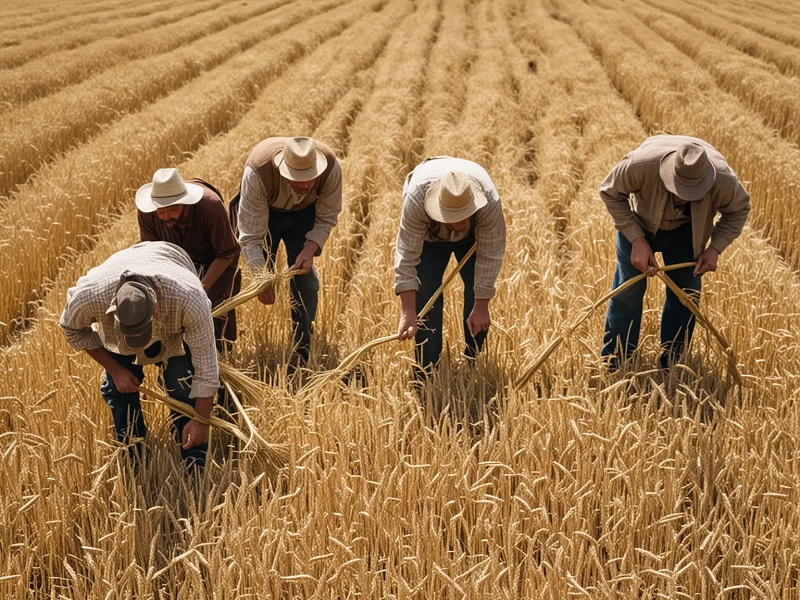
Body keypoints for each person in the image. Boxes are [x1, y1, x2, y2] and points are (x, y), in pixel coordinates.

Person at [59, 241, 220, 472]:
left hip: (171, 283)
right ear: (113, 310)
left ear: (155, 310)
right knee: (118, 391)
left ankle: (194, 465)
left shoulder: (190, 300)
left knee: (182, 388)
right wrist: (116, 370)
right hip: (120, 281)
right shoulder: (90, 297)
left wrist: (202, 421)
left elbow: (207, 369)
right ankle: (134, 459)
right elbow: (71, 329)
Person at [599, 134, 751, 370]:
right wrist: (637, 239)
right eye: (678, 188)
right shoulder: (641, 165)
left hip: (687, 232)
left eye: (693, 191)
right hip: (640, 224)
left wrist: (715, 248)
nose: (683, 196)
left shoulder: (724, 181)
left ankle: (672, 361)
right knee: (627, 290)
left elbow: (739, 210)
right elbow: (610, 192)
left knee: (686, 294)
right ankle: (615, 360)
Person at [236, 136, 342, 371]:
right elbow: (251, 237)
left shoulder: (330, 168)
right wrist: (261, 277)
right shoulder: (258, 172)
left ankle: (303, 345)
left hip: (305, 214)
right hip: (266, 213)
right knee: (262, 276)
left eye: (309, 179)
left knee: (305, 280)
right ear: (283, 170)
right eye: (297, 179)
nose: (304, 186)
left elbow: (327, 217)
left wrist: (309, 249)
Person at [395, 157, 506, 380]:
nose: (459, 223)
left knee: (475, 294)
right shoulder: (417, 200)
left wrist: (482, 304)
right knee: (426, 299)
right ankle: (427, 369)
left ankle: (474, 361)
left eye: (464, 215)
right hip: (430, 241)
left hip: (472, 240)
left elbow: (491, 254)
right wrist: (408, 312)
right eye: (452, 217)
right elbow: (406, 256)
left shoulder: (488, 201)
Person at [136, 168, 241, 352]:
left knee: (213, 310)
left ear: (185, 203)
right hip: (175, 261)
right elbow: (152, 254)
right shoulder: (147, 212)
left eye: (173, 209)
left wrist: (201, 288)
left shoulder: (210, 207)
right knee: (173, 313)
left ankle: (219, 355)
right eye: (161, 211)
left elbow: (226, 253)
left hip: (214, 260)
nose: (166, 217)